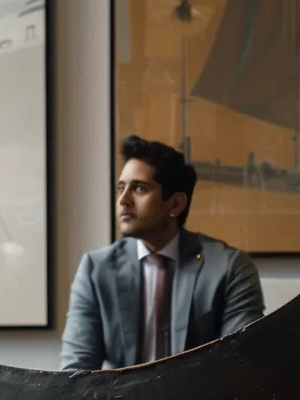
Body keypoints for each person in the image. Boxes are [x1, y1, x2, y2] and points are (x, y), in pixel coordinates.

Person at [60, 135, 265, 370]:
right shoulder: (96, 269)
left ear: (176, 204)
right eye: (121, 188)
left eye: (138, 188)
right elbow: (75, 373)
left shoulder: (229, 268)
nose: (123, 200)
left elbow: (243, 365)